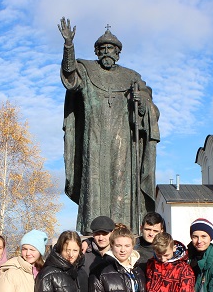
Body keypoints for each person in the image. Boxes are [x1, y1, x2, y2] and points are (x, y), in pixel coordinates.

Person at [59, 18, 161, 233]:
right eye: (103, 49)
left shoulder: (131, 77)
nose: (107, 52)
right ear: (97, 52)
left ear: (118, 53)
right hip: (94, 137)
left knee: (121, 182)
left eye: (111, 49)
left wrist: (140, 99)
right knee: (93, 182)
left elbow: (147, 99)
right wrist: (69, 46)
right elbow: (70, 78)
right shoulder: (86, 70)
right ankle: (93, 230)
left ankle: (122, 230)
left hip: (122, 141)